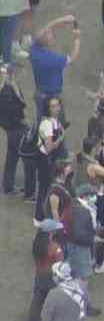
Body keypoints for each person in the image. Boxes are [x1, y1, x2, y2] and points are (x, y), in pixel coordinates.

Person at [29, 15, 80, 123]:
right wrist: (77, 39)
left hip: (40, 92)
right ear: (46, 42)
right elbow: (73, 57)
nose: (53, 36)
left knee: (41, 117)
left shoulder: (33, 50)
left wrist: (60, 20)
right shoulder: (53, 59)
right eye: (51, 36)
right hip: (52, 95)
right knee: (57, 120)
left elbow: (45, 30)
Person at [68, 184, 104, 316]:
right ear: (85, 196)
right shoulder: (81, 211)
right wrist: (93, 239)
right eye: (93, 195)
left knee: (78, 277)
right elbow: (80, 235)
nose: (95, 198)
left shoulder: (82, 207)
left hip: (79, 247)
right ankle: (83, 306)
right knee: (82, 278)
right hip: (80, 248)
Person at [27, 219, 65, 321]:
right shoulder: (55, 247)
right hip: (52, 278)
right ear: (50, 233)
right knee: (56, 304)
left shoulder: (36, 243)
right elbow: (60, 265)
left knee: (37, 301)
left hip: (39, 275)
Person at [33, 95, 67, 224]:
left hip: (51, 160)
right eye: (53, 106)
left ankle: (45, 213)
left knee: (49, 187)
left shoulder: (55, 121)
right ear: (47, 108)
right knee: (44, 188)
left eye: (57, 105)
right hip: (45, 160)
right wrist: (60, 139)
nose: (56, 108)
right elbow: (48, 148)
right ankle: (39, 217)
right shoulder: (47, 124)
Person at [1, 62, 28, 195]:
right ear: (14, 74)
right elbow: (17, 109)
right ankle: (11, 187)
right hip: (16, 127)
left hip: (11, 127)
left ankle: (8, 186)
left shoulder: (9, 88)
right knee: (19, 156)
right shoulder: (9, 91)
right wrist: (22, 120)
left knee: (12, 157)